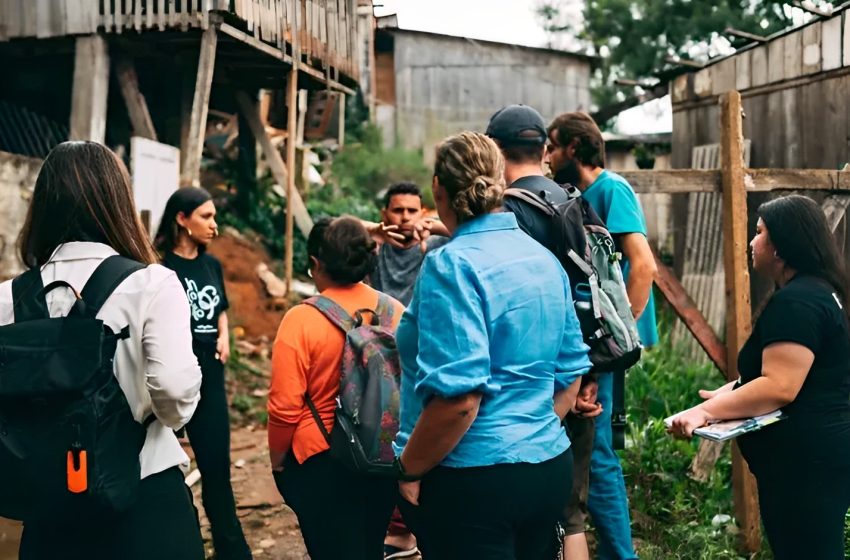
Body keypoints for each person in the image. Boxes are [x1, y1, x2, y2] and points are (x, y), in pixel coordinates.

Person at [0, 141, 204, 559]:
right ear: (117, 202)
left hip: (47, 509)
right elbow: (174, 395)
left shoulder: (7, 298)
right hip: (143, 499)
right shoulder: (152, 283)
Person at [393, 131, 592, 559]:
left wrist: (410, 466)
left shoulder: (451, 264)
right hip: (546, 467)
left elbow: (460, 400)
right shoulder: (542, 258)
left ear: (437, 190)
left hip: (471, 479)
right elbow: (571, 373)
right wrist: (529, 433)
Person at [671, 195, 850, 559]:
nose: (751, 242)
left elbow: (780, 386)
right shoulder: (821, 292)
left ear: (781, 246)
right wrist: (725, 396)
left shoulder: (798, 302)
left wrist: (705, 414)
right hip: (820, 456)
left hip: (805, 464)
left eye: (759, 232)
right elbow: (800, 373)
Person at [486, 104, 601, 560]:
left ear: (495, 150)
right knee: (571, 514)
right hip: (579, 374)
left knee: (517, 522)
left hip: (529, 390)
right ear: (543, 149)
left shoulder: (508, 213)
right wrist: (588, 375)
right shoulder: (574, 200)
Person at [547, 111, 658, 560]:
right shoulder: (579, 195)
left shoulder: (612, 190)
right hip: (596, 346)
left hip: (608, 348)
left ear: (574, 147)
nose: (549, 157)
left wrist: (617, 335)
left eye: (553, 147)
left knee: (599, 456)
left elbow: (643, 264)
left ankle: (620, 553)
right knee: (596, 448)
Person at [268, 216, 404, 559]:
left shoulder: (301, 319)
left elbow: (284, 407)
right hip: (382, 454)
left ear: (316, 263)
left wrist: (278, 462)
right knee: (370, 545)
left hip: (320, 457)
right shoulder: (395, 312)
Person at [155, 187, 253, 560]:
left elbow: (220, 309)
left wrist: (225, 336)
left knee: (216, 471)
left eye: (214, 217)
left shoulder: (211, 265)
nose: (214, 225)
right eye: (206, 217)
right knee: (165, 470)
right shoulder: (160, 268)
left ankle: (232, 551)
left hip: (211, 376)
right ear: (181, 219)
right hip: (171, 375)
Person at [365, 181, 449, 307]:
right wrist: (374, 228)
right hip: (382, 323)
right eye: (398, 210)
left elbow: (478, 233)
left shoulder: (437, 244)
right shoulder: (375, 245)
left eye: (412, 211)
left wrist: (434, 227)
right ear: (384, 214)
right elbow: (333, 228)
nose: (405, 217)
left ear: (422, 214)